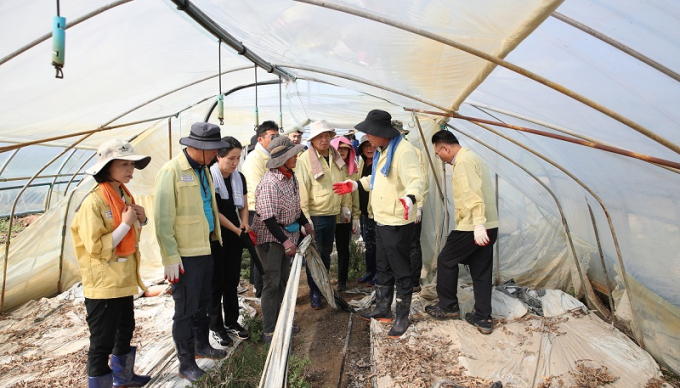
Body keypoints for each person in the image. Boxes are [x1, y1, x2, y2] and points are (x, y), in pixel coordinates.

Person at [333, 109, 424, 338]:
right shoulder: (385, 150)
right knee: (383, 267)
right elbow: (378, 179)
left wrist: (410, 198)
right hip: (381, 219)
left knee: (400, 269)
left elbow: (416, 180)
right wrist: (355, 185)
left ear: (382, 132)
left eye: (370, 134)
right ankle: (383, 308)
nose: (368, 139)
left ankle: (402, 315)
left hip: (397, 221)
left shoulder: (404, 152)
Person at [70, 139, 152, 388]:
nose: (130, 169)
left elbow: (129, 235)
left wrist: (141, 219)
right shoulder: (93, 203)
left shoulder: (123, 193)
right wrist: (127, 223)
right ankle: (102, 382)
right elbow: (96, 248)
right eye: (124, 164)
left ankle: (123, 378)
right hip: (104, 282)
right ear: (107, 168)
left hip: (122, 277)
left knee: (125, 328)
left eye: (132, 164)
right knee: (102, 341)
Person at [154, 122, 229, 382]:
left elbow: (208, 205)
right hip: (185, 253)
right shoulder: (172, 172)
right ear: (198, 148)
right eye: (213, 150)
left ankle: (202, 345)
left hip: (204, 246)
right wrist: (170, 257)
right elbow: (163, 219)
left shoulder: (203, 170)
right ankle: (186, 362)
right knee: (185, 308)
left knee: (203, 302)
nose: (216, 155)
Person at [425, 130, 499, 335]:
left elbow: (472, 195)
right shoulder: (473, 157)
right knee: (481, 270)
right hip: (489, 225)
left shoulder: (464, 162)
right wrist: (483, 224)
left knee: (446, 260)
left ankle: (448, 306)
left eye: (439, 154)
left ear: (445, 148)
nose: (440, 158)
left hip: (472, 226)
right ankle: (483, 317)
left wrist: (477, 224)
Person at [251, 136, 311, 343]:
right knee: (271, 282)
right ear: (282, 159)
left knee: (284, 280)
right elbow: (267, 217)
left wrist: (305, 222)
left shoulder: (290, 176)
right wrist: (284, 241)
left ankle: (283, 322)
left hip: (287, 235)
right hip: (271, 238)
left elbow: (295, 205)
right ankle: (269, 330)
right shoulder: (270, 182)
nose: (296, 158)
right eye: (292, 155)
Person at [296, 120, 351, 309]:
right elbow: (302, 189)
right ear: (313, 139)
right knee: (315, 255)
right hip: (316, 214)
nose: (324, 139)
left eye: (327, 135)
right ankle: (315, 292)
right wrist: (306, 218)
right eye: (320, 136)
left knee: (326, 254)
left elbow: (343, 181)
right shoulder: (305, 160)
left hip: (332, 212)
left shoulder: (335, 157)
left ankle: (323, 287)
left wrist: (345, 206)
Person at [208, 136, 251, 347]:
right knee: (216, 281)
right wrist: (235, 228)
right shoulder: (210, 176)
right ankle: (216, 326)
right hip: (217, 234)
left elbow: (243, 204)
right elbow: (214, 211)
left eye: (238, 158)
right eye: (231, 158)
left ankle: (232, 321)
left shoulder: (239, 177)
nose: (235, 163)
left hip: (235, 233)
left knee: (232, 280)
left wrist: (244, 223)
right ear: (218, 156)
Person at [242, 121, 280, 298]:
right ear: (261, 139)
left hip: (269, 210)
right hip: (257, 211)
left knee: (265, 252)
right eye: (272, 137)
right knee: (260, 253)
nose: (275, 140)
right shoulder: (254, 160)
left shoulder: (270, 156)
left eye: (277, 136)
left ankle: (264, 287)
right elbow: (258, 189)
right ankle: (260, 290)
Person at [392, 120, 430, 293]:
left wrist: (419, 206)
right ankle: (402, 278)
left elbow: (421, 182)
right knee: (398, 244)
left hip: (411, 206)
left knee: (413, 244)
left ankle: (414, 280)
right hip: (396, 209)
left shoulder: (414, 153)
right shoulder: (389, 152)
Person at [330, 136, 361, 291]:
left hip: (345, 216)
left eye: (345, 149)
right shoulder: (329, 166)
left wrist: (355, 215)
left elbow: (355, 194)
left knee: (343, 249)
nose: (342, 151)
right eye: (339, 148)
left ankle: (342, 281)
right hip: (329, 213)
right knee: (325, 250)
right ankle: (325, 280)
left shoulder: (353, 169)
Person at [356, 135, 377, 286]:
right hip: (365, 211)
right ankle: (370, 272)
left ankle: (378, 274)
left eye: (371, 145)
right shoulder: (362, 163)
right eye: (366, 146)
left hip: (376, 211)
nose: (369, 148)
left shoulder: (380, 162)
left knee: (378, 244)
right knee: (368, 243)